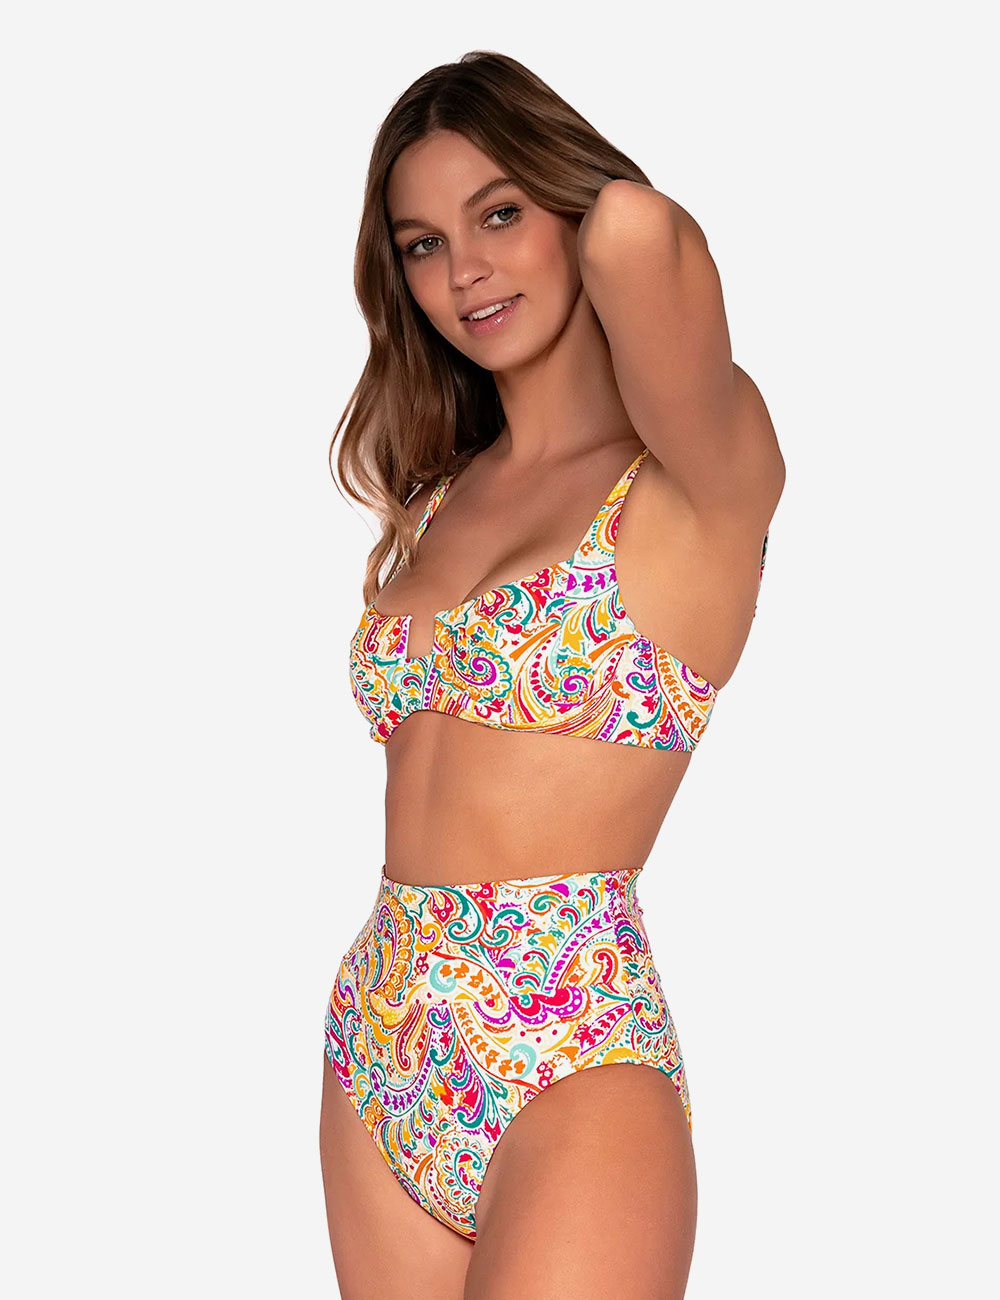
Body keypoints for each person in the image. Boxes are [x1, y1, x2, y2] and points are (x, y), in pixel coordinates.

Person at [320, 49, 785, 1300]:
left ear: (566, 203)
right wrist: (518, 207)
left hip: (568, 1051)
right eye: (421, 245)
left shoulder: (699, 480)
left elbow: (638, 231)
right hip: (381, 1032)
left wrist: (573, 189)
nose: (463, 271)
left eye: (500, 214)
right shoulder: (440, 492)